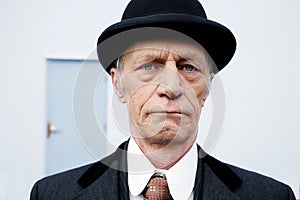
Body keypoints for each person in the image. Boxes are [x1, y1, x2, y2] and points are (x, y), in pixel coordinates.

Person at [30, 0, 296, 199]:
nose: (171, 87)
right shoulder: (51, 194)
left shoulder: (271, 196)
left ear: (208, 86)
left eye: (188, 67)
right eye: (149, 66)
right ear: (118, 84)